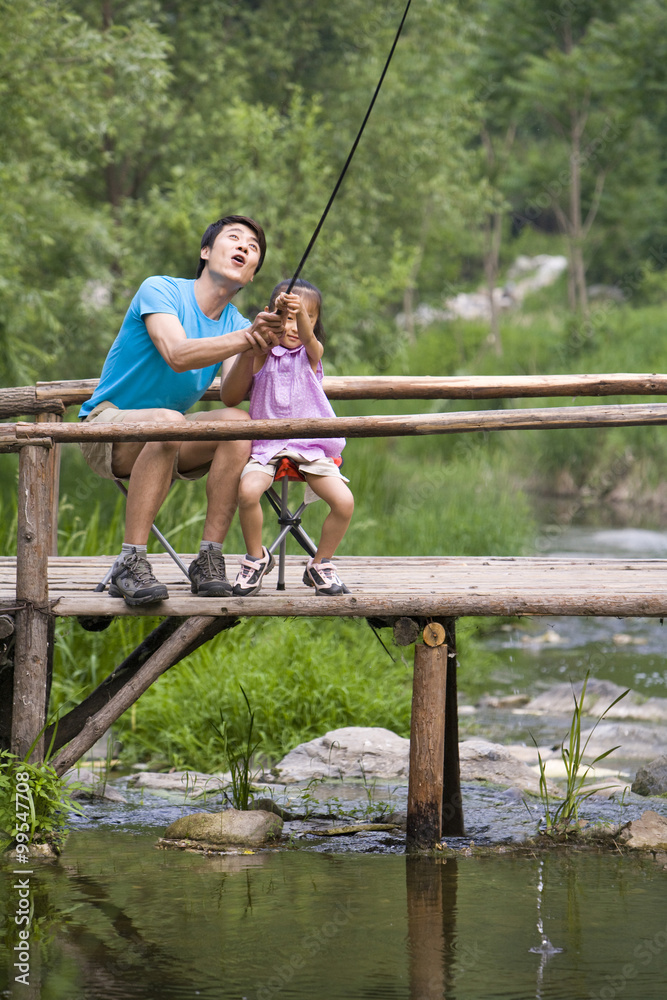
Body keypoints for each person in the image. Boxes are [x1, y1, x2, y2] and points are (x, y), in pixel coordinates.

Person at [79, 215, 284, 607]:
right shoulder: (161, 290)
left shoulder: (236, 322)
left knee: (240, 425)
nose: (244, 246)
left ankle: (209, 558)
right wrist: (243, 338)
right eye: (234, 238)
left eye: (253, 246)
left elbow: (231, 396)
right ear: (205, 252)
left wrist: (254, 349)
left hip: (169, 434)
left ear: (253, 275)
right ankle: (130, 561)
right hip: (106, 427)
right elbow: (176, 354)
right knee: (169, 422)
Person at [221, 278, 354, 597]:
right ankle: (256, 558)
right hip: (267, 446)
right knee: (248, 492)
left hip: (309, 446)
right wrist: (263, 330)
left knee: (344, 503)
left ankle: (321, 562)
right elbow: (243, 374)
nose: (294, 326)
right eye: (288, 317)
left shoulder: (310, 356)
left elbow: (310, 339)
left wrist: (301, 318)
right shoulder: (262, 355)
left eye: (306, 317)